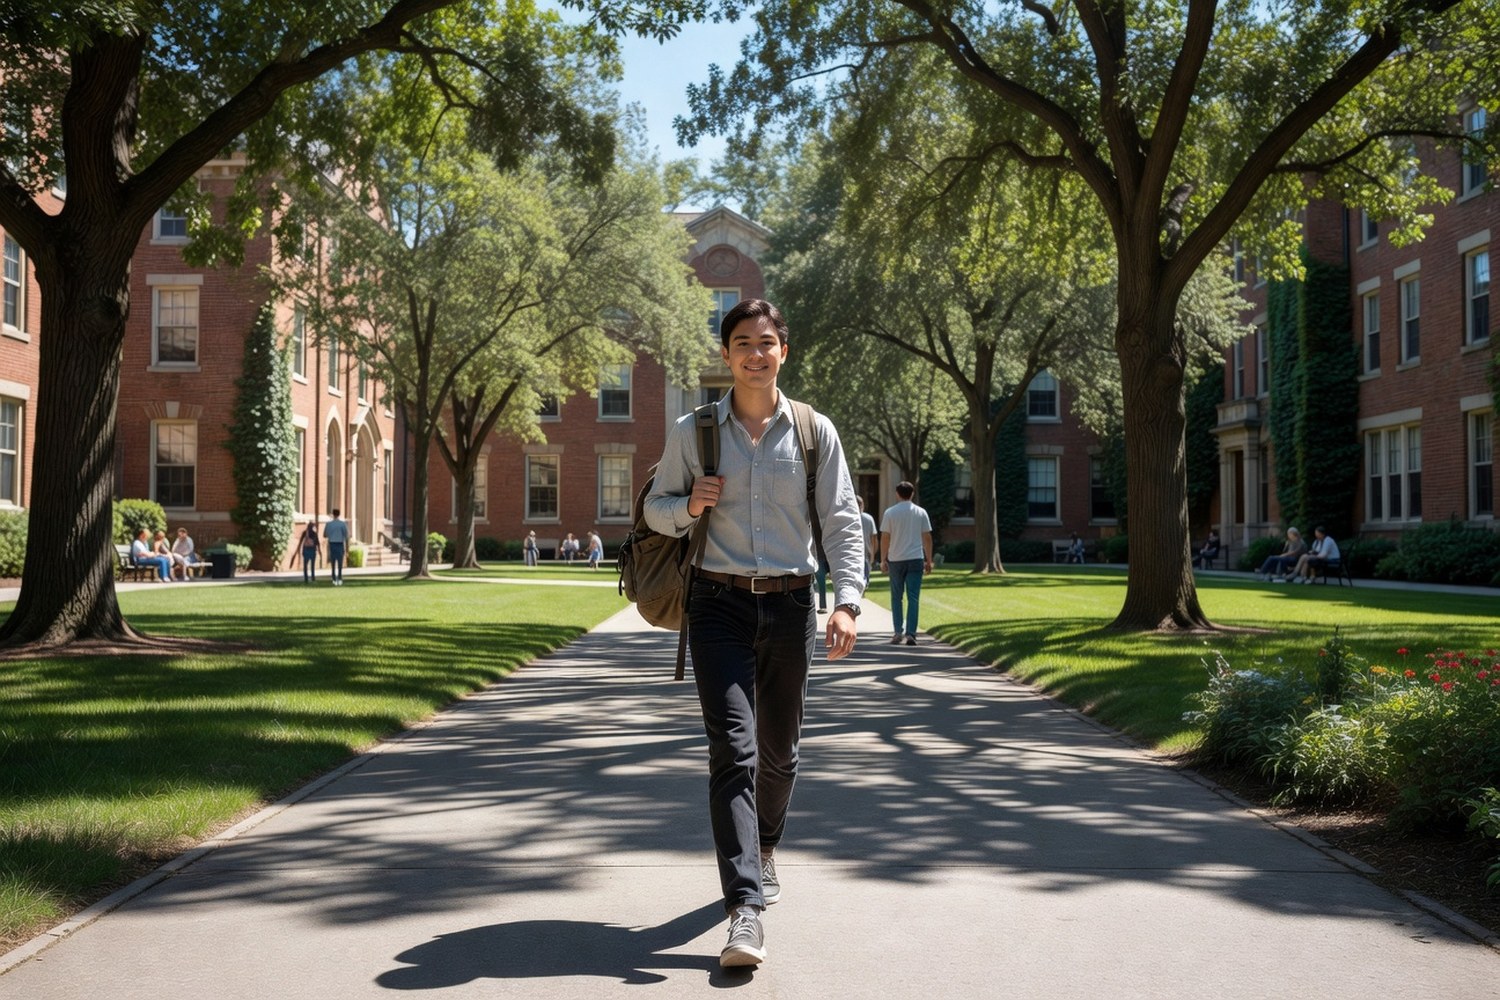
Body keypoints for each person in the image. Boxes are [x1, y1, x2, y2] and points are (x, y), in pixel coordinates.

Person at [644, 298, 865, 969]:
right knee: (732, 752)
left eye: (765, 342)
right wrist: (688, 505)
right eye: (742, 342)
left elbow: (844, 520)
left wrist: (847, 601)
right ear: (726, 354)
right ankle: (746, 908)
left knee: (780, 754)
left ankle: (764, 848)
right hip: (717, 604)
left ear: (782, 352)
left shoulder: (812, 431)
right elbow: (653, 512)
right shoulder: (695, 431)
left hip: (793, 606)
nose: (754, 353)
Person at [881, 481, 934, 646]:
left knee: (896, 597)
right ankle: (911, 633)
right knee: (913, 597)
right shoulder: (920, 512)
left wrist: (883, 559)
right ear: (912, 494)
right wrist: (929, 560)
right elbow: (927, 538)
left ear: (897, 494)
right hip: (915, 558)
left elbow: (885, 537)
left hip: (896, 559)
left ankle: (898, 632)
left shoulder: (890, 513)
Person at [323, 509, 349, 586]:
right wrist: (347, 547)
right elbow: (346, 536)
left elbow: (325, 535)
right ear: (339, 514)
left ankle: (334, 578)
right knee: (340, 562)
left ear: (333, 514)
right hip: (340, 543)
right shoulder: (342, 524)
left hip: (332, 544)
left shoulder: (329, 524)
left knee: (333, 562)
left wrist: (331, 534)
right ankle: (340, 577)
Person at [293, 519, 321, 584]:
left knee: (305, 565)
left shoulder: (305, 532)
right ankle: (313, 578)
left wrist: (298, 549)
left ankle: (306, 579)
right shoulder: (314, 533)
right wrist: (319, 550)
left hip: (306, 549)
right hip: (312, 549)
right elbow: (317, 542)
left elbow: (300, 541)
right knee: (312, 565)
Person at [857, 496, 878, 585]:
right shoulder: (869, 518)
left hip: (854, 552)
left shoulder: (847, 518)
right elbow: (873, 538)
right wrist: (873, 554)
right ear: (862, 505)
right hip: (866, 553)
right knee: (865, 577)